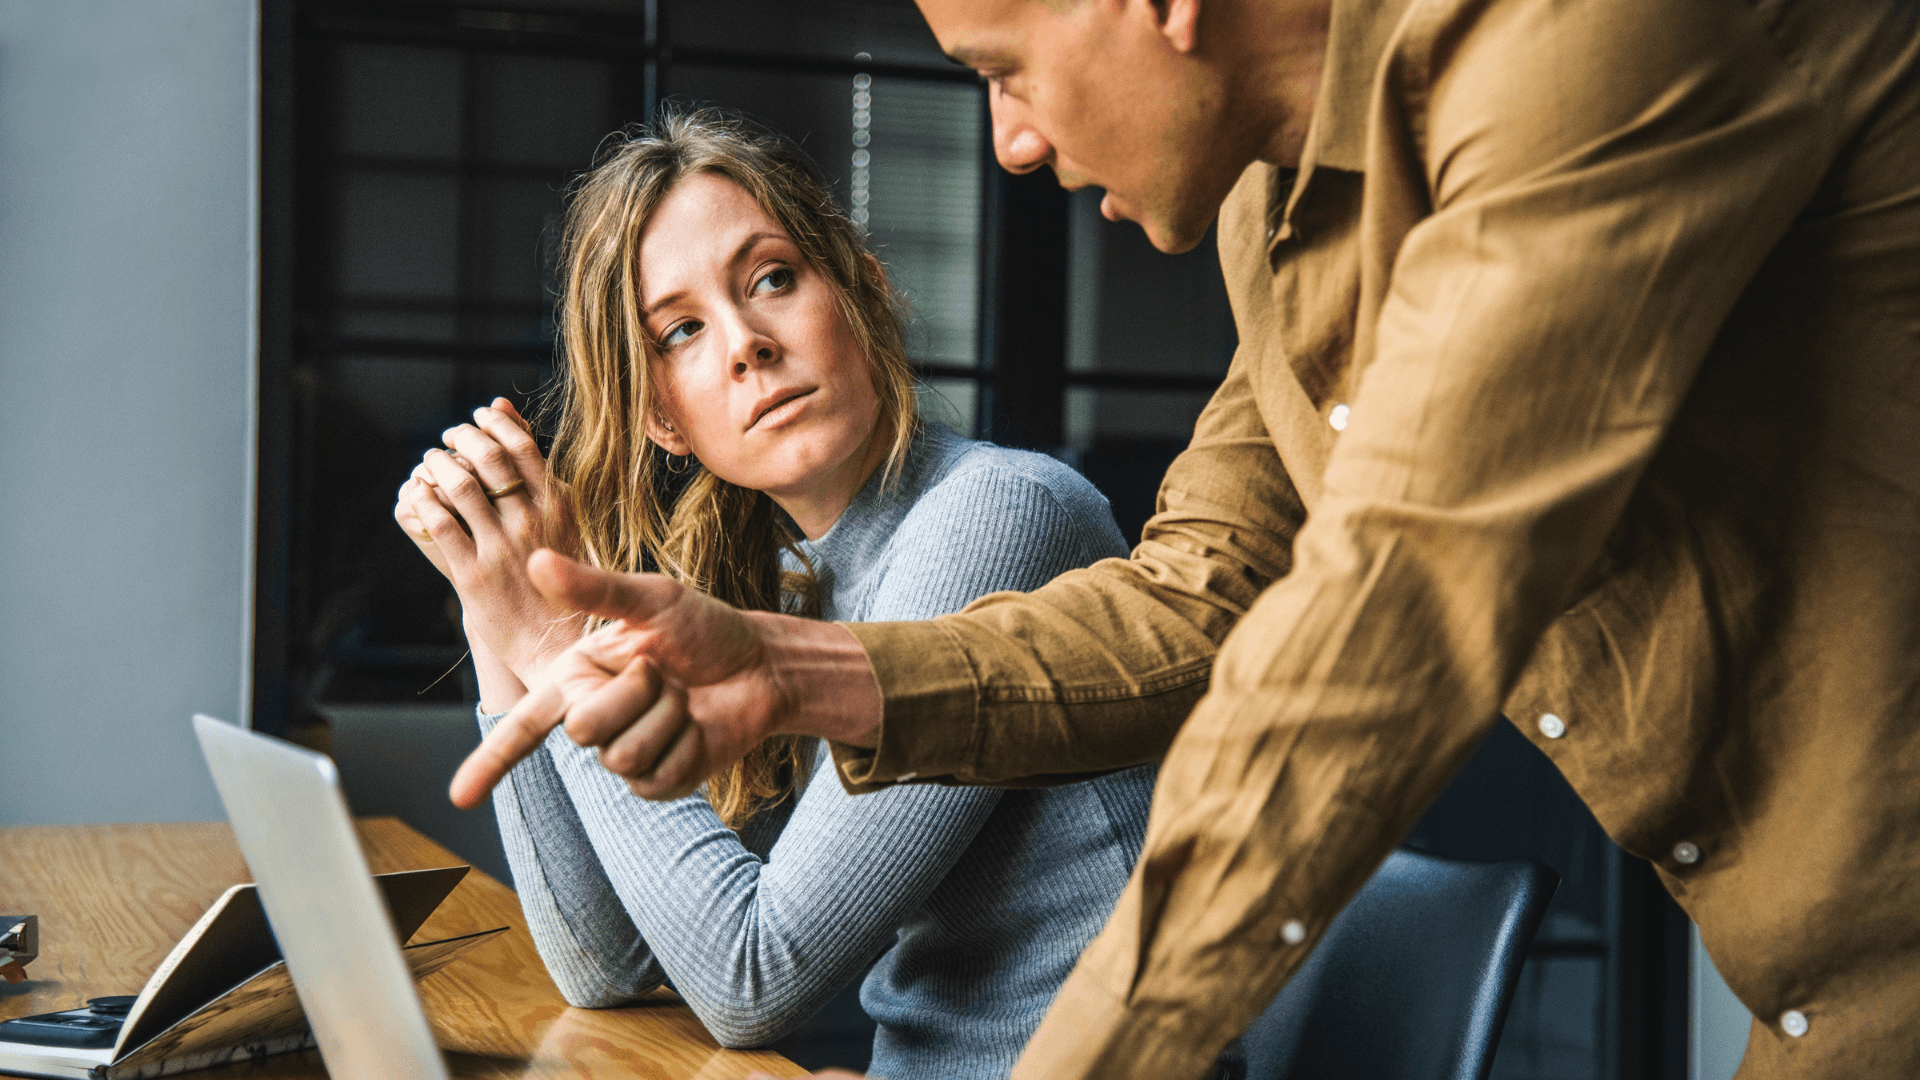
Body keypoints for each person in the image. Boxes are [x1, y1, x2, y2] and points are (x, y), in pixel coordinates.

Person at [453, 1, 1920, 1078]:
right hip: (1816, 993)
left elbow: (1386, 624)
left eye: (1003, 70)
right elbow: (1194, 598)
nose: (1012, 142)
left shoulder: (1584, 44)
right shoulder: (1277, 218)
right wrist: (791, 666)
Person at [397, 110, 1158, 1080]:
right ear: (663, 421)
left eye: (772, 279)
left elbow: (749, 980)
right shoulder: (796, 583)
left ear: (864, 287)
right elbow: (610, 966)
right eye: (681, 330)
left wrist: (555, 643)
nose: (745, 344)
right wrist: (493, 594)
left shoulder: (999, 517)